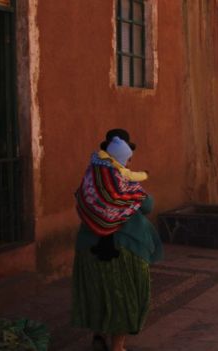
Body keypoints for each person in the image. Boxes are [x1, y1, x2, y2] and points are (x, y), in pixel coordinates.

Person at [72, 129, 163, 351]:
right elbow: (147, 204)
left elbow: (82, 202)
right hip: (125, 250)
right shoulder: (122, 181)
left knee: (98, 295)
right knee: (124, 299)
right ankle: (118, 346)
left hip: (88, 247)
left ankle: (98, 335)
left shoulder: (90, 179)